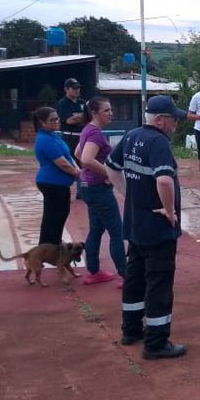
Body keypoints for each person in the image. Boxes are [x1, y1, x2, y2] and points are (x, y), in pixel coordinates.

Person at [106, 95, 187, 360]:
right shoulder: (158, 142)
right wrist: (169, 211)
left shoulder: (131, 136)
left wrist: (128, 194)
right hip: (157, 227)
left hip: (136, 223)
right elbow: (164, 180)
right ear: (160, 120)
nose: (175, 124)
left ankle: (131, 330)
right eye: (173, 119)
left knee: (135, 277)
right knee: (159, 282)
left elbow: (111, 167)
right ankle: (156, 342)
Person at [74, 96, 126, 286]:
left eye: (111, 109)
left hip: (88, 187)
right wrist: (107, 173)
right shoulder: (95, 133)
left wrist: (93, 172)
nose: (111, 113)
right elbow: (86, 159)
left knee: (96, 229)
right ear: (94, 113)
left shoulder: (88, 130)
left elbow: (78, 153)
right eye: (106, 110)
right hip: (98, 189)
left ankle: (94, 272)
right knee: (117, 231)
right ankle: (126, 275)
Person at [33, 107, 80, 245]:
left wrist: (76, 168)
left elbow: (67, 156)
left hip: (60, 184)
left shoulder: (53, 136)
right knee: (52, 217)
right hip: (52, 183)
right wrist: (77, 173)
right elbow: (62, 163)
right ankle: (47, 246)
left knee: (61, 214)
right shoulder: (45, 139)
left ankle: (55, 242)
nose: (56, 121)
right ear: (42, 122)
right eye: (52, 120)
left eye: (57, 118)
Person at [57, 77, 86, 197]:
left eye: (78, 88)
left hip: (82, 136)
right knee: (70, 163)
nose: (77, 90)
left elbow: (89, 118)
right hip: (69, 137)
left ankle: (82, 192)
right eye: (73, 88)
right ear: (66, 89)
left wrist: (78, 117)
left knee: (84, 163)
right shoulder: (63, 103)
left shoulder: (82, 102)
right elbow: (69, 120)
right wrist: (81, 117)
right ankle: (63, 189)